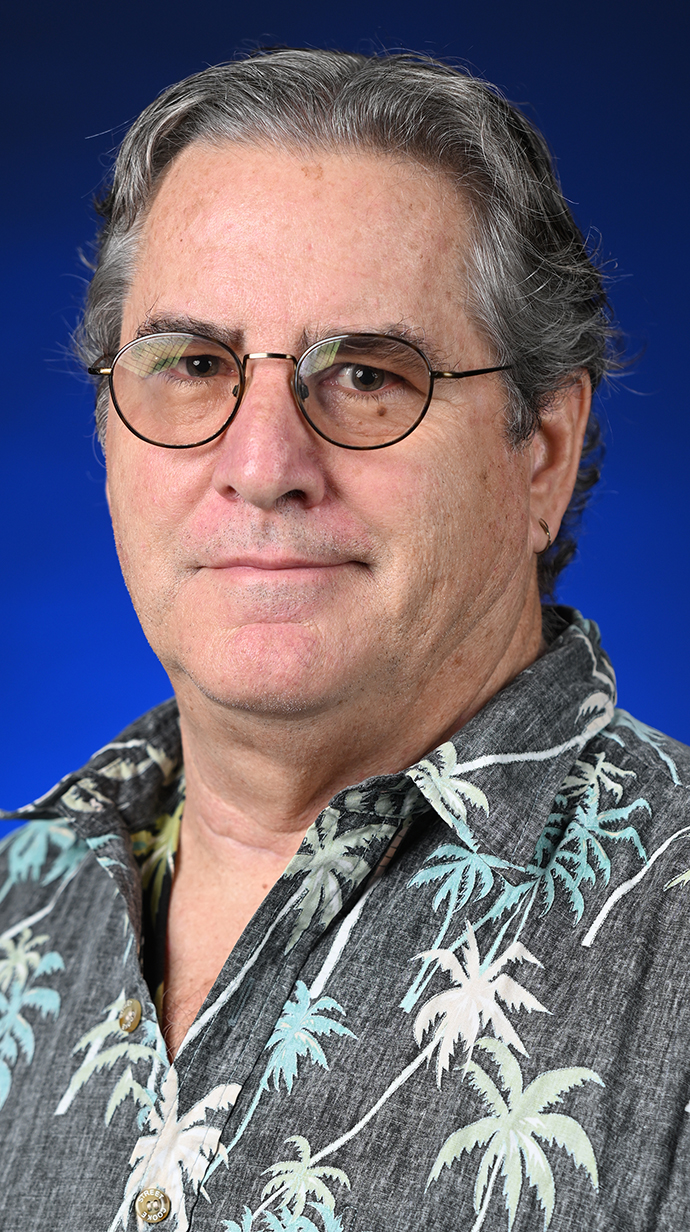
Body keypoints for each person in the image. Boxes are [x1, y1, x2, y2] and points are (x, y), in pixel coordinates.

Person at [0, 48, 688, 1232]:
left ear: (544, 451)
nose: (263, 466)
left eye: (369, 376)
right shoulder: (19, 906)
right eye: (194, 366)